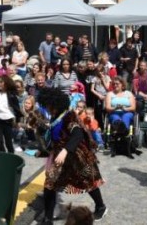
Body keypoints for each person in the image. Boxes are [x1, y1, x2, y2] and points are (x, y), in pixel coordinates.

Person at [36, 87, 107, 224]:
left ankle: (101, 206)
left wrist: (65, 150)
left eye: (49, 105)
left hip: (77, 157)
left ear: (56, 104)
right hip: (60, 158)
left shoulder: (69, 116)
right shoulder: (55, 116)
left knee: (88, 182)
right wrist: (45, 151)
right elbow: (56, 137)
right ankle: (48, 219)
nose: (48, 108)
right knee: (50, 184)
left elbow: (77, 134)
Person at [0, 75, 23, 154]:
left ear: (6, 84)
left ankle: (11, 157)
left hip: (7, 121)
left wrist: (18, 121)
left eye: (1, 82)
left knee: (8, 142)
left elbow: (17, 110)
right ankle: (3, 155)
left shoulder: (12, 96)